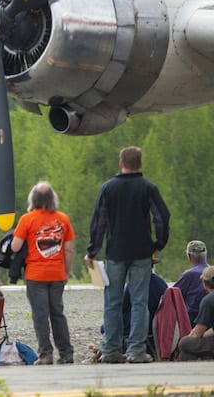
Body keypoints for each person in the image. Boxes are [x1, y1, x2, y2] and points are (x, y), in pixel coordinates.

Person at [85, 146, 170, 364]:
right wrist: (158, 244)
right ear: (140, 164)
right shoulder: (148, 188)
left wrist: (92, 250)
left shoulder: (108, 188)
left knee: (113, 301)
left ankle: (112, 349)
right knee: (139, 301)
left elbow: (99, 222)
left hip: (115, 253)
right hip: (142, 253)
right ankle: (136, 351)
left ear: (121, 163)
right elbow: (162, 217)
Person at [11, 181, 75, 365]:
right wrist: (66, 271)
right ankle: (66, 353)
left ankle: (46, 354)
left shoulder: (27, 219)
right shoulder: (63, 219)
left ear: (33, 199)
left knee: (40, 315)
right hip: (57, 273)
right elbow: (68, 250)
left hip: (36, 275)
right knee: (58, 313)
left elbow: (15, 246)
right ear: (52, 198)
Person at [178, 265, 214, 360]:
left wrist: (191, 337)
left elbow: (198, 332)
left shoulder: (208, 300)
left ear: (204, 283)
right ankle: (207, 356)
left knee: (184, 343)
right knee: (186, 354)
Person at [174, 240, 208, 325]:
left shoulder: (188, 275)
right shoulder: (211, 272)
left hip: (193, 319)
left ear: (189, 256)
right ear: (205, 256)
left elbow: (173, 295)